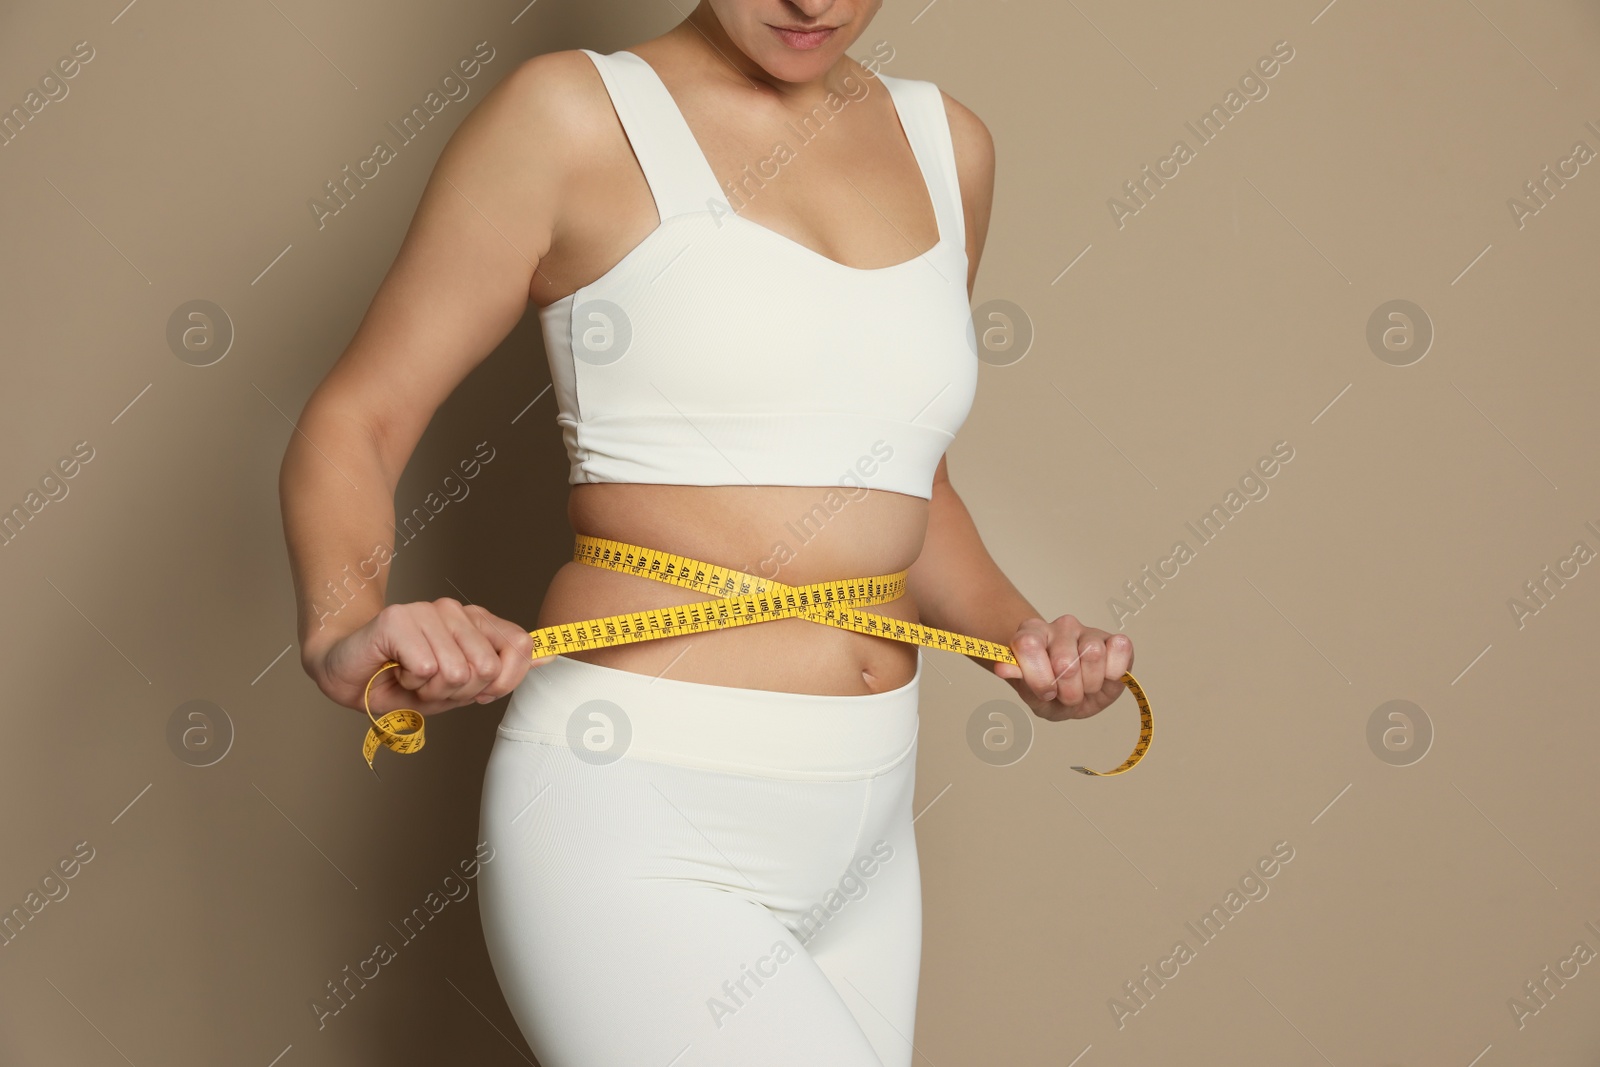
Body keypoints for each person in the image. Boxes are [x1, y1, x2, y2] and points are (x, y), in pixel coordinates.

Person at [278, 2, 1135, 1063]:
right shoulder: (570, 118)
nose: (811, 0)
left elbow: (912, 483)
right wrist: (341, 627)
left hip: (868, 828)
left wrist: (1021, 637)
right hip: (640, 808)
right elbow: (356, 419)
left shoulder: (947, 144)